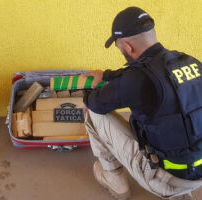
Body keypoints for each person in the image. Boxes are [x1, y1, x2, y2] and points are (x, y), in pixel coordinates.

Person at [83, 6, 202, 200]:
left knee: (94, 112)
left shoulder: (138, 79)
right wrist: (106, 75)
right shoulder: (190, 62)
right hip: (197, 172)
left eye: (119, 47)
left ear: (128, 47)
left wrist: (89, 90)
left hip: (165, 179)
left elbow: (96, 102)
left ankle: (115, 181)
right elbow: (141, 74)